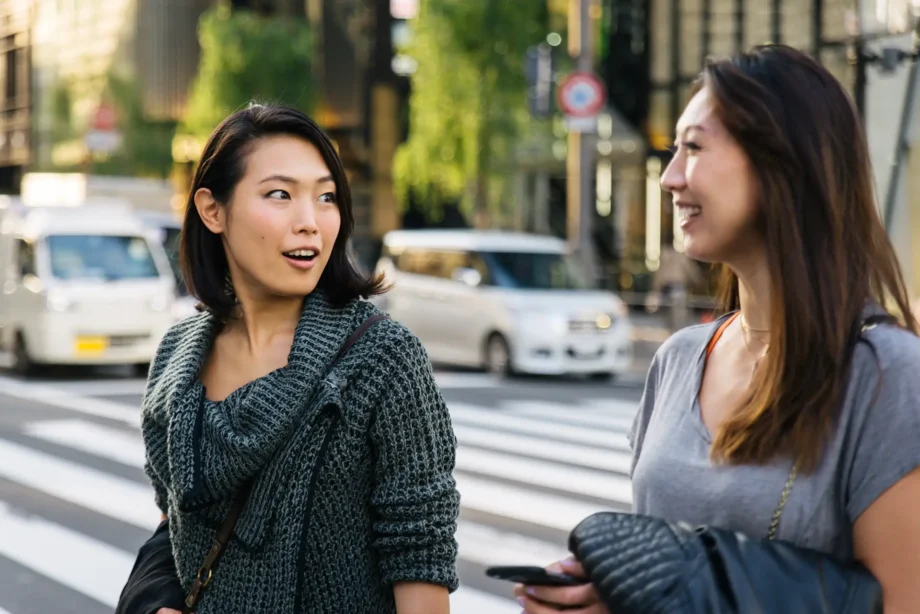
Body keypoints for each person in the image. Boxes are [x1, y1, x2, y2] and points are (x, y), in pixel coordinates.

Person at [514, 44, 920, 613]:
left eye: (695, 147)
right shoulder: (679, 360)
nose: (670, 178)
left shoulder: (887, 375)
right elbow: (670, 582)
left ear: (783, 161)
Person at [122, 103, 459, 613]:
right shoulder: (177, 358)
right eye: (279, 194)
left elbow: (419, 558)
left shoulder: (383, 359)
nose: (309, 222)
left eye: (326, 197)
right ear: (213, 210)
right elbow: (176, 530)